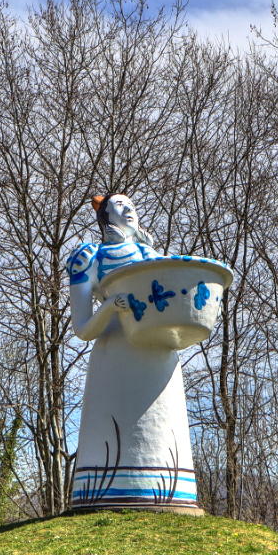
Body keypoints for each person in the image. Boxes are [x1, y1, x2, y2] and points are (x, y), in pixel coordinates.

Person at [66, 194, 201, 513]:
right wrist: (110, 307)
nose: (129, 211)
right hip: (115, 360)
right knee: (113, 434)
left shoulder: (154, 257)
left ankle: (173, 498)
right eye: (119, 207)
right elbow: (83, 328)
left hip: (162, 356)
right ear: (105, 216)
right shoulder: (90, 256)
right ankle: (107, 497)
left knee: (165, 434)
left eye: (132, 206)